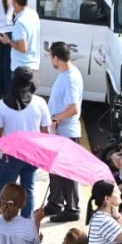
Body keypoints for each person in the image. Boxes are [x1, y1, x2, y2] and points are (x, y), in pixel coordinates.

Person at [0, 68, 51, 219]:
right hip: (33, 155)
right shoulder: (40, 103)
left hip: (11, 156)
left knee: (5, 191)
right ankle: (26, 223)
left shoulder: (2, 105)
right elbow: (46, 133)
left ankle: (3, 221)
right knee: (28, 191)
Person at [45, 42, 83, 222]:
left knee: (66, 173)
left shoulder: (69, 78)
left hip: (66, 132)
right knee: (55, 171)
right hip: (60, 131)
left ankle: (72, 208)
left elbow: (73, 108)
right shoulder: (66, 73)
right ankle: (55, 202)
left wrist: (55, 119)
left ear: (56, 58)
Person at [0, 0, 40, 75]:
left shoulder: (20, 23)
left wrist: (8, 41)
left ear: (15, 2)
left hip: (21, 70)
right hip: (33, 67)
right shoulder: (34, 14)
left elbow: (23, 48)